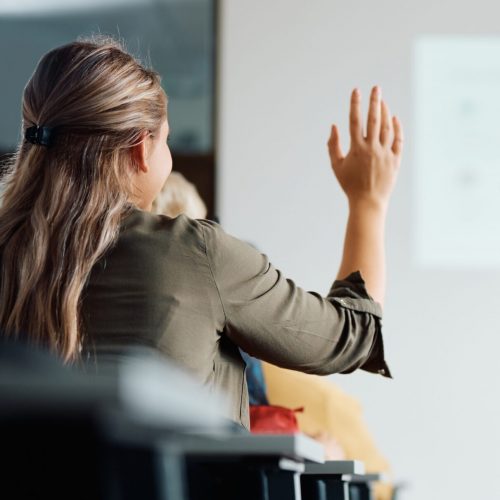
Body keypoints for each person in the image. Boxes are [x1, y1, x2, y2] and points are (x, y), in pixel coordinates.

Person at [0, 37, 403, 429]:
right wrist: (367, 201)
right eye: (166, 139)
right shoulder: (195, 253)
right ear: (141, 148)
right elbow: (351, 335)